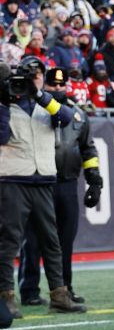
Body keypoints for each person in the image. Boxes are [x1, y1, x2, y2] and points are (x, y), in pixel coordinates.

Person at [0, 56, 86, 316]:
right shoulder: (5, 105)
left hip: (45, 180)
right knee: (9, 241)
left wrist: (37, 95)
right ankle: (7, 298)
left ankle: (60, 295)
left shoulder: (46, 104)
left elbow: (67, 117)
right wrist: (4, 102)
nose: (27, 81)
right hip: (14, 179)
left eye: (36, 75)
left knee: (52, 241)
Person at [18, 67, 102, 306]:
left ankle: (64, 288)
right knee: (33, 239)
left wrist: (94, 180)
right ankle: (29, 289)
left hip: (67, 183)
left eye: (61, 85)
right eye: (52, 85)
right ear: (44, 86)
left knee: (65, 240)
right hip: (39, 183)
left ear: (67, 86)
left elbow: (88, 148)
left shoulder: (78, 115)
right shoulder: (32, 111)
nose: (57, 89)